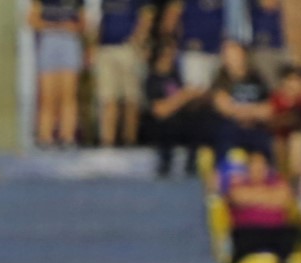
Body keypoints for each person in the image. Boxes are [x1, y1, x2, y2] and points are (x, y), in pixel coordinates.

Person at [94, 0, 152, 147]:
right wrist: (95, 44)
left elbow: (147, 15)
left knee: (131, 99)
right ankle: (107, 142)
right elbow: (101, 19)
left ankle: (129, 141)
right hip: (106, 49)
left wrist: (138, 40)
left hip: (128, 48)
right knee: (108, 98)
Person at [226, 149, 296, 263]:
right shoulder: (238, 182)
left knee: (289, 241)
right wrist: (270, 197)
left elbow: (284, 198)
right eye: (254, 165)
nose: (259, 169)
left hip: (277, 231)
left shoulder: (277, 181)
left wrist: (253, 197)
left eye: (262, 166)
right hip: (248, 231)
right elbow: (239, 197)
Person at [144, 39, 204, 176]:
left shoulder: (175, 75)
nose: (171, 58)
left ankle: (192, 163)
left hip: (179, 119)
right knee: (167, 124)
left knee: (197, 119)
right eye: (168, 54)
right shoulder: (152, 80)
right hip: (158, 124)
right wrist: (184, 96)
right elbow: (159, 110)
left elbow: (181, 99)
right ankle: (165, 163)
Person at [31, 0, 85, 148]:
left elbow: (82, 24)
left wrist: (70, 27)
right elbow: (32, 20)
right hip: (49, 41)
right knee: (47, 96)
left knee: (68, 95)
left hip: (69, 42)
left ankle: (67, 137)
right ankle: (45, 137)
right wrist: (55, 26)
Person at [162, 0, 228, 90]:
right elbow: (169, 24)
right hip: (194, 54)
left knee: (219, 92)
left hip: (219, 52)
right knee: (196, 91)